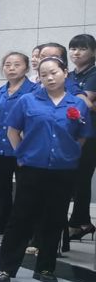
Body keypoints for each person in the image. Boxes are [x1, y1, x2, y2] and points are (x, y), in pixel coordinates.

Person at [0, 56, 90, 282]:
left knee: (54, 218)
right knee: (21, 218)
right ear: (39, 78)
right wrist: (21, 155)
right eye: (44, 74)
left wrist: (69, 154)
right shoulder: (28, 101)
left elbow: (81, 136)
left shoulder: (77, 104)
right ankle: (6, 269)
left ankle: (45, 268)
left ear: (65, 73)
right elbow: (12, 130)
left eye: (54, 73)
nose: (49, 78)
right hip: (32, 168)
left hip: (63, 170)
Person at [0, 51, 36, 243]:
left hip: (24, 150)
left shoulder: (34, 91)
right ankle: (0, 230)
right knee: (2, 191)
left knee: (25, 192)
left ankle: (24, 233)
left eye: (17, 64)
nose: (11, 68)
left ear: (26, 68)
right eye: (7, 65)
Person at [63, 33, 96, 241]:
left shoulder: (93, 74)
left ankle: (79, 222)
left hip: (90, 134)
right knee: (74, 177)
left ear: (93, 52)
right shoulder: (70, 74)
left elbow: (85, 103)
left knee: (82, 177)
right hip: (72, 131)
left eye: (82, 49)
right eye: (73, 48)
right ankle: (81, 221)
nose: (76, 53)